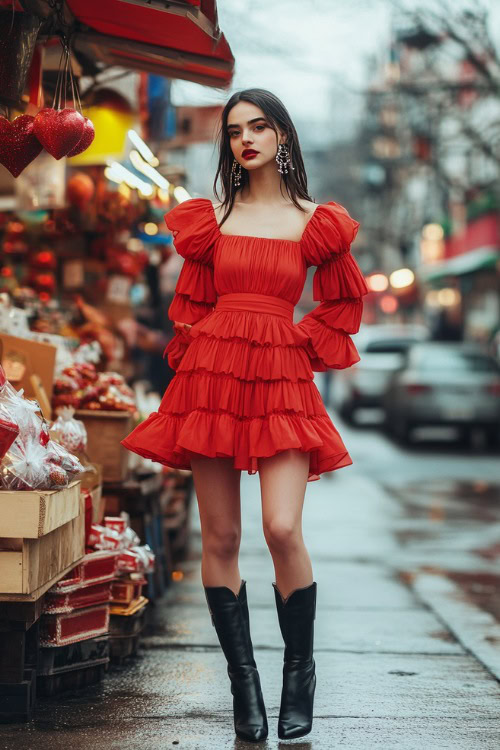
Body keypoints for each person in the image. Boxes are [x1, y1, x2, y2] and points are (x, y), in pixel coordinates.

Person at [122, 88, 368, 742]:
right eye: (235, 130)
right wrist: (204, 346)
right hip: (213, 380)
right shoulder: (213, 219)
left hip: (281, 378)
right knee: (222, 539)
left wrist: (298, 342)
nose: (247, 138)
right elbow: (192, 306)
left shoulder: (316, 221)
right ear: (227, 144)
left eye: (260, 126)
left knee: (282, 528)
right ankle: (244, 687)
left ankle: (298, 672)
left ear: (283, 136)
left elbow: (343, 305)